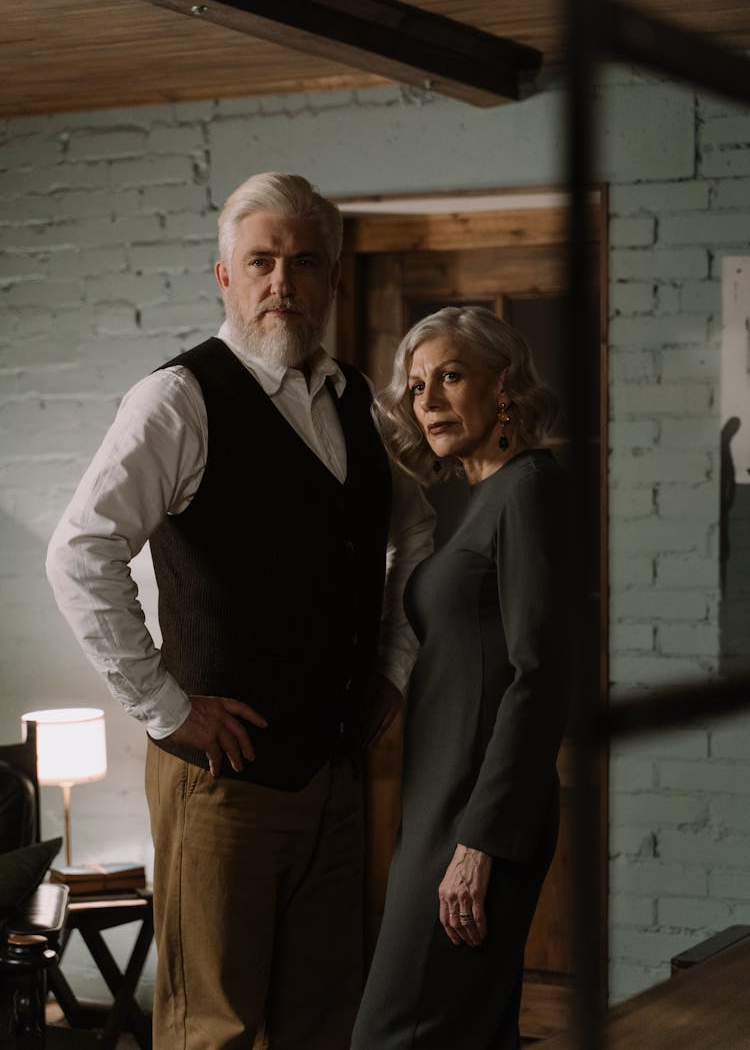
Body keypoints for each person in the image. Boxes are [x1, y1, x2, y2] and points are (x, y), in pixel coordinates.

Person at [46, 172, 434, 1050]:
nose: (281, 283)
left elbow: (418, 538)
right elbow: (78, 553)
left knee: (323, 1020)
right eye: (260, 261)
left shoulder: (359, 403)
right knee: (213, 1029)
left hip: (331, 775)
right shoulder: (178, 400)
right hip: (219, 784)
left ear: (332, 277)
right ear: (225, 276)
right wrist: (166, 708)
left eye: (303, 262)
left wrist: (392, 665)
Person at [352, 305, 571, 1050]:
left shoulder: (528, 490)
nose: (430, 401)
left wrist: (479, 842)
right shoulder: (485, 499)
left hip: (476, 820)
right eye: (417, 387)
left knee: (398, 1035)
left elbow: (538, 677)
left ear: (504, 386)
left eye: (450, 375)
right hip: (442, 810)